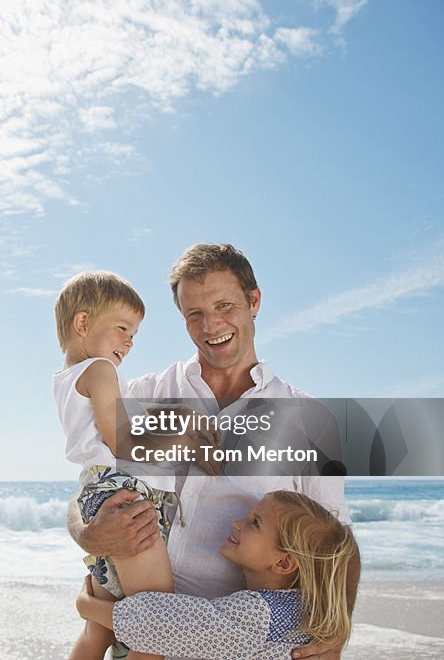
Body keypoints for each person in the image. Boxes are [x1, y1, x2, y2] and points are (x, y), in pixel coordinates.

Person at [67, 243, 360, 660]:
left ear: (253, 301)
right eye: (195, 314)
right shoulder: (146, 394)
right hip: (133, 632)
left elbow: (337, 541)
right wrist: (86, 532)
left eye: (225, 305)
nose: (212, 325)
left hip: (228, 643)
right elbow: (93, 481)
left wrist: (336, 632)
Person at [53, 270, 179, 660]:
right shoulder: (101, 370)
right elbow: (121, 440)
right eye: (123, 328)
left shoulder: (66, 378)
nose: (129, 342)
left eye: (134, 335)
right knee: (156, 629)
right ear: (83, 323)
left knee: (99, 631)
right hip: (126, 496)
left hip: (100, 493)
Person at [75, 490, 358, 659]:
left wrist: (89, 607)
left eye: (254, 523)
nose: (237, 522)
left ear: (284, 563)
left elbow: (159, 623)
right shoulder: (301, 612)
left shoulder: (257, 615)